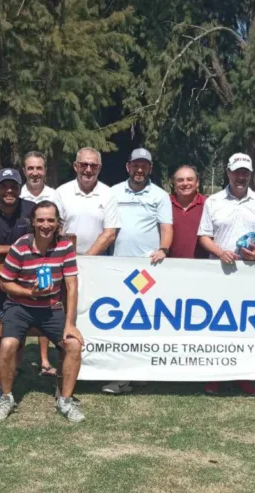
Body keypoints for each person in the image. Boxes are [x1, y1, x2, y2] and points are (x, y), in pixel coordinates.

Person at [0, 201, 85, 423]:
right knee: (8, 344)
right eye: (40, 220)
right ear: (32, 222)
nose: (46, 225)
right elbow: (5, 283)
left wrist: (70, 323)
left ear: (57, 222)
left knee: (73, 344)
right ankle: (6, 398)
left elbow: (72, 287)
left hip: (51, 308)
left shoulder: (65, 246)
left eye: (51, 220)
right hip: (19, 306)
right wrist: (29, 292)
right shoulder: (20, 246)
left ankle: (65, 400)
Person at [198, 152, 255, 396]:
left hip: (250, 274)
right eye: (237, 172)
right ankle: (214, 376)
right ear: (228, 173)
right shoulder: (213, 201)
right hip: (219, 272)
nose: (241, 176)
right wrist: (220, 252)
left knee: (246, 326)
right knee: (217, 325)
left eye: (245, 172)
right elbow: (204, 236)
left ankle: (243, 375)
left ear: (250, 175)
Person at [104, 148, 173, 395]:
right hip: (118, 266)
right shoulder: (113, 192)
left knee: (141, 322)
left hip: (147, 269)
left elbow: (166, 227)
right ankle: (123, 373)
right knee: (121, 322)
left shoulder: (160, 195)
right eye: (136, 165)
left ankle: (135, 373)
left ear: (150, 168)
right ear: (128, 167)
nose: (140, 170)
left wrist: (164, 248)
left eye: (144, 165)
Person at [0, 168, 36, 401]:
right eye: (4, 186)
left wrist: (0, 248)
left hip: (22, 279)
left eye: (13, 186)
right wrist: (12, 248)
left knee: (18, 329)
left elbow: (37, 242)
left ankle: (7, 373)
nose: (9, 190)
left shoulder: (30, 209)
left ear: (20, 188)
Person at [18, 152, 64, 379]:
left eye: (39, 168)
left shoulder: (55, 195)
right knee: (21, 307)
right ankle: (16, 361)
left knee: (46, 302)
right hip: (25, 257)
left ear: (45, 170)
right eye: (30, 168)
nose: (35, 173)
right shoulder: (17, 193)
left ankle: (45, 360)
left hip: (49, 254)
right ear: (24, 170)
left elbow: (60, 225)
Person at [58, 147, 121, 255]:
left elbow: (110, 233)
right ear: (75, 166)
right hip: (66, 256)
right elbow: (56, 229)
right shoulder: (61, 192)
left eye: (93, 166)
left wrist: (87, 259)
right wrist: (68, 257)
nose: (88, 170)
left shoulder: (109, 194)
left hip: (97, 259)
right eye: (83, 165)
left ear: (99, 168)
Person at [168, 165, 208, 259]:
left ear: (197, 182)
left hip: (202, 264)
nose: (185, 183)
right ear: (174, 183)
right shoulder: (165, 204)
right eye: (180, 180)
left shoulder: (208, 204)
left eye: (189, 179)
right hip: (169, 263)